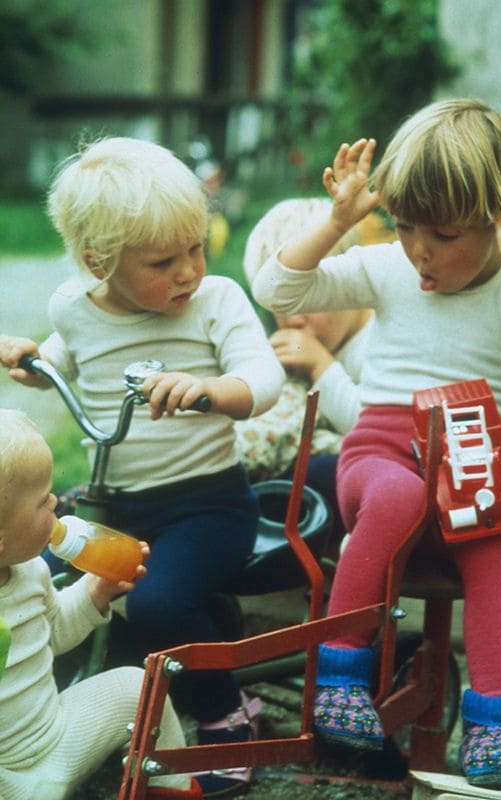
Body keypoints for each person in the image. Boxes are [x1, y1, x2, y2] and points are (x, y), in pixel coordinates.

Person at [252, 98, 501, 791]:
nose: (418, 250)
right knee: (398, 494)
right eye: (405, 226)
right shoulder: (386, 269)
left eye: (441, 232)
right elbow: (274, 284)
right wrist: (338, 222)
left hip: (473, 461)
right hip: (380, 452)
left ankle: (494, 724)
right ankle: (340, 672)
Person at [0, 136, 285, 798]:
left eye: (196, 248)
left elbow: (263, 377)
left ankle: (225, 713)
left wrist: (212, 390)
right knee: (35, 579)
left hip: (206, 504)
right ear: (99, 264)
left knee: (156, 602)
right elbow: (65, 364)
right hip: (119, 502)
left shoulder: (215, 301)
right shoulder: (75, 308)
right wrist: (33, 363)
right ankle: (46, 713)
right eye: (164, 260)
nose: (189, 269)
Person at [0, 408, 201, 800]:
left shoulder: (30, 572)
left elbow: (53, 633)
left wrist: (96, 590)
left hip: (56, 739)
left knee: (140, 687)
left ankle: (172, 790)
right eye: (43, 502)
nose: (56, 499)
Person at [237, 197, 374, 537]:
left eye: (305, 300)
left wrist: (321, 365)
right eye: (279, 306)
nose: (292, 318)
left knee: (311, 478)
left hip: (394, 480)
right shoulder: (320, 337)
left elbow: (380, 431)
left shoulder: (380, 338)